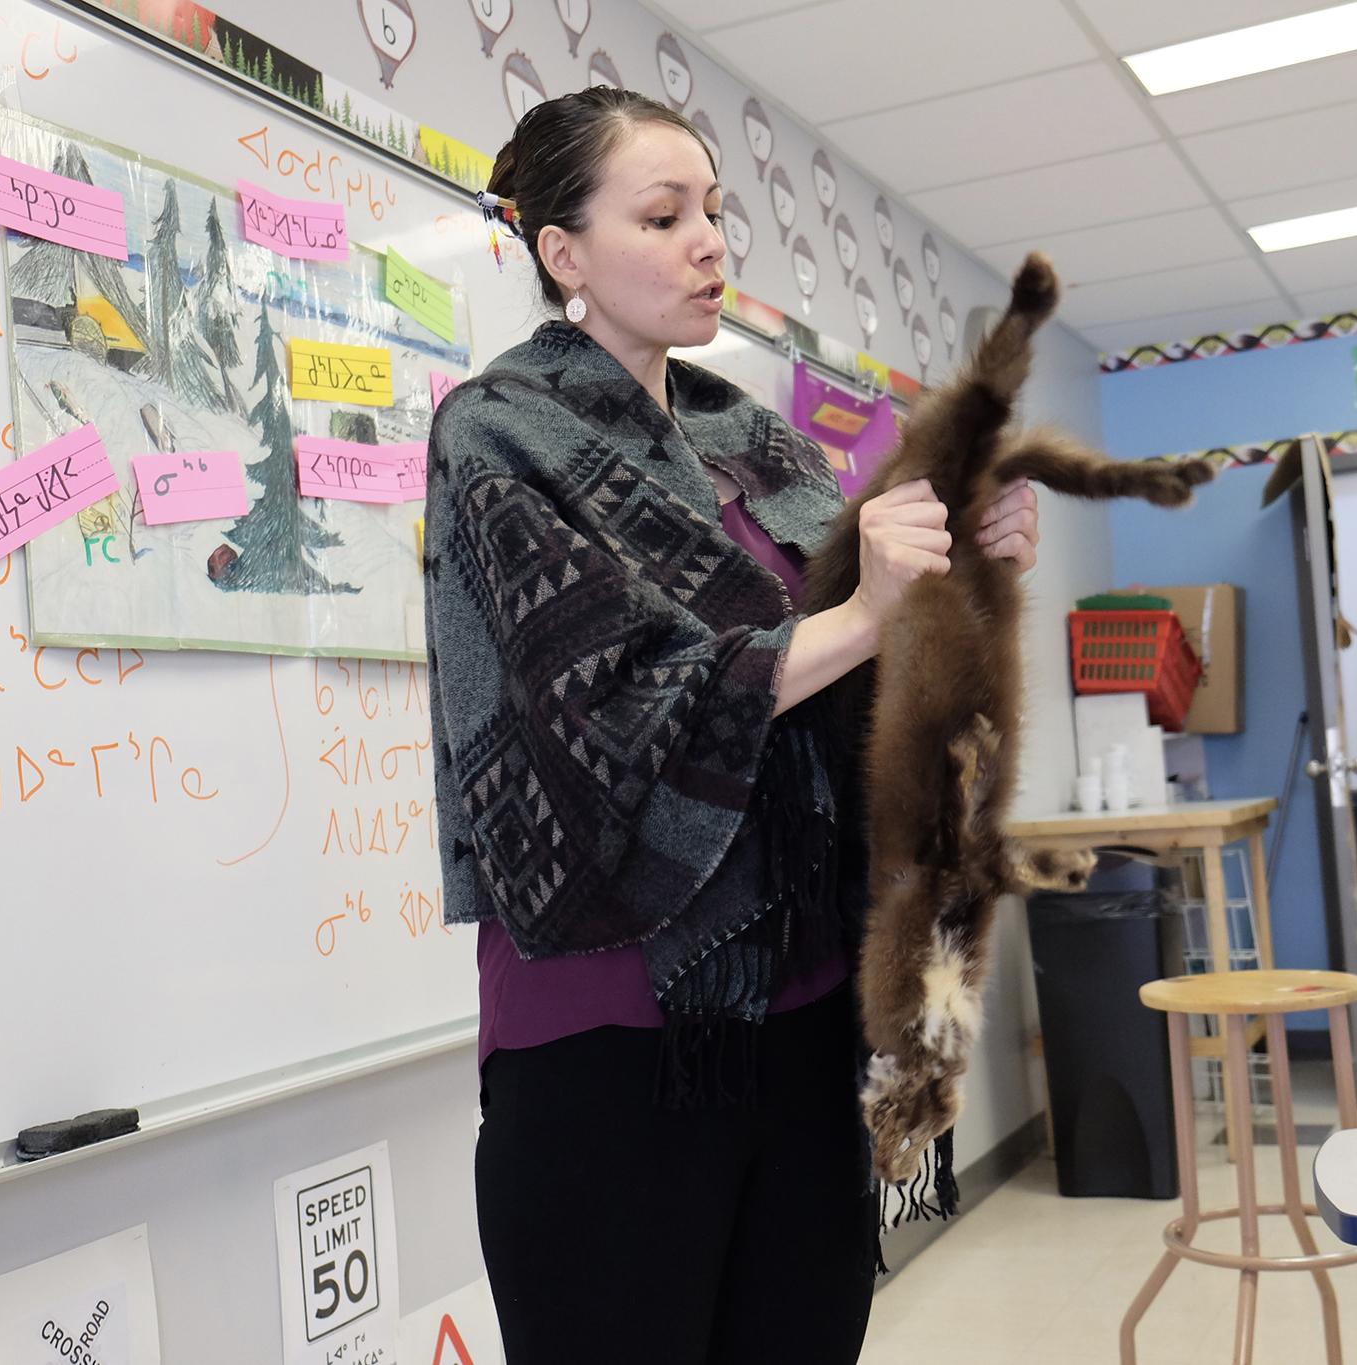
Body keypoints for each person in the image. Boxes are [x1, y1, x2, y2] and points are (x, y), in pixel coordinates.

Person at [422, 87, 1040, 1365]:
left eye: (713, 209)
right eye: (663, 214)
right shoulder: (495, 434)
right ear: (562, 253)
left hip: (802, 1010)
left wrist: (955, 575)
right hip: (611, 1036)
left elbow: (859, 679)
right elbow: (610, 701)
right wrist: (866, 614)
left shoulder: (749, 437)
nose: (709, 240)